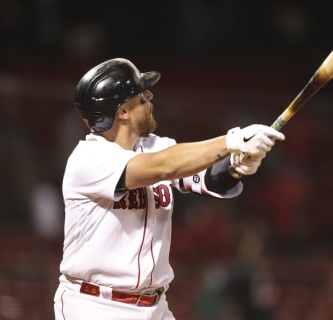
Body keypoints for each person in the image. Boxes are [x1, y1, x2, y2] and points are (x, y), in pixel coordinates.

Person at [53, 57, 285, 320]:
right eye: (141, 95)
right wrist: (232, 141)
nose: (149, 97)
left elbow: (209, 179)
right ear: (122, 112)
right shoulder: (88, 158)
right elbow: (164, 166)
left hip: (154, 306)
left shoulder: (156, 146)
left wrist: (236, 166)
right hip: (95, 305)